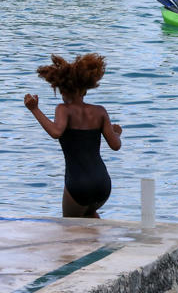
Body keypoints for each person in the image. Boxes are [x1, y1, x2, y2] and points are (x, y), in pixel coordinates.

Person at [24, 54, 122, 218]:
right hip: (102, 183)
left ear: (63, 89)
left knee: (69, 227)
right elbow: (116, 145)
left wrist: (34, 109)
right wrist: (116, 133)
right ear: (85, 89)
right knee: (90, 215)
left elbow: (56, 132)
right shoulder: (100, 111)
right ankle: (102, 234)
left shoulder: (63, 109)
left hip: (78, 184)